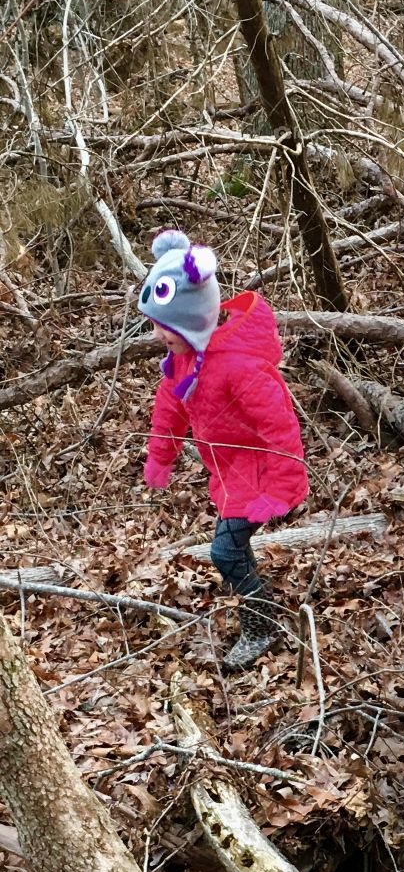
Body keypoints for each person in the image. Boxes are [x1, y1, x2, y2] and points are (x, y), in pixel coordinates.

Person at [139, 229, 309, 669]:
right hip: (230, 473)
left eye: (166, 326)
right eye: (155, 324)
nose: (158, 335)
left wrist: (284, 487)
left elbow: (280, 427)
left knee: (224, 551)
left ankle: (261, 625)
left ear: (195, 320)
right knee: (233, 549)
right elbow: (169, 408)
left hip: (259, 475)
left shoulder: (239, 367)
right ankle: (262, 607)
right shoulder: (185, 360)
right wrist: (161, 457)